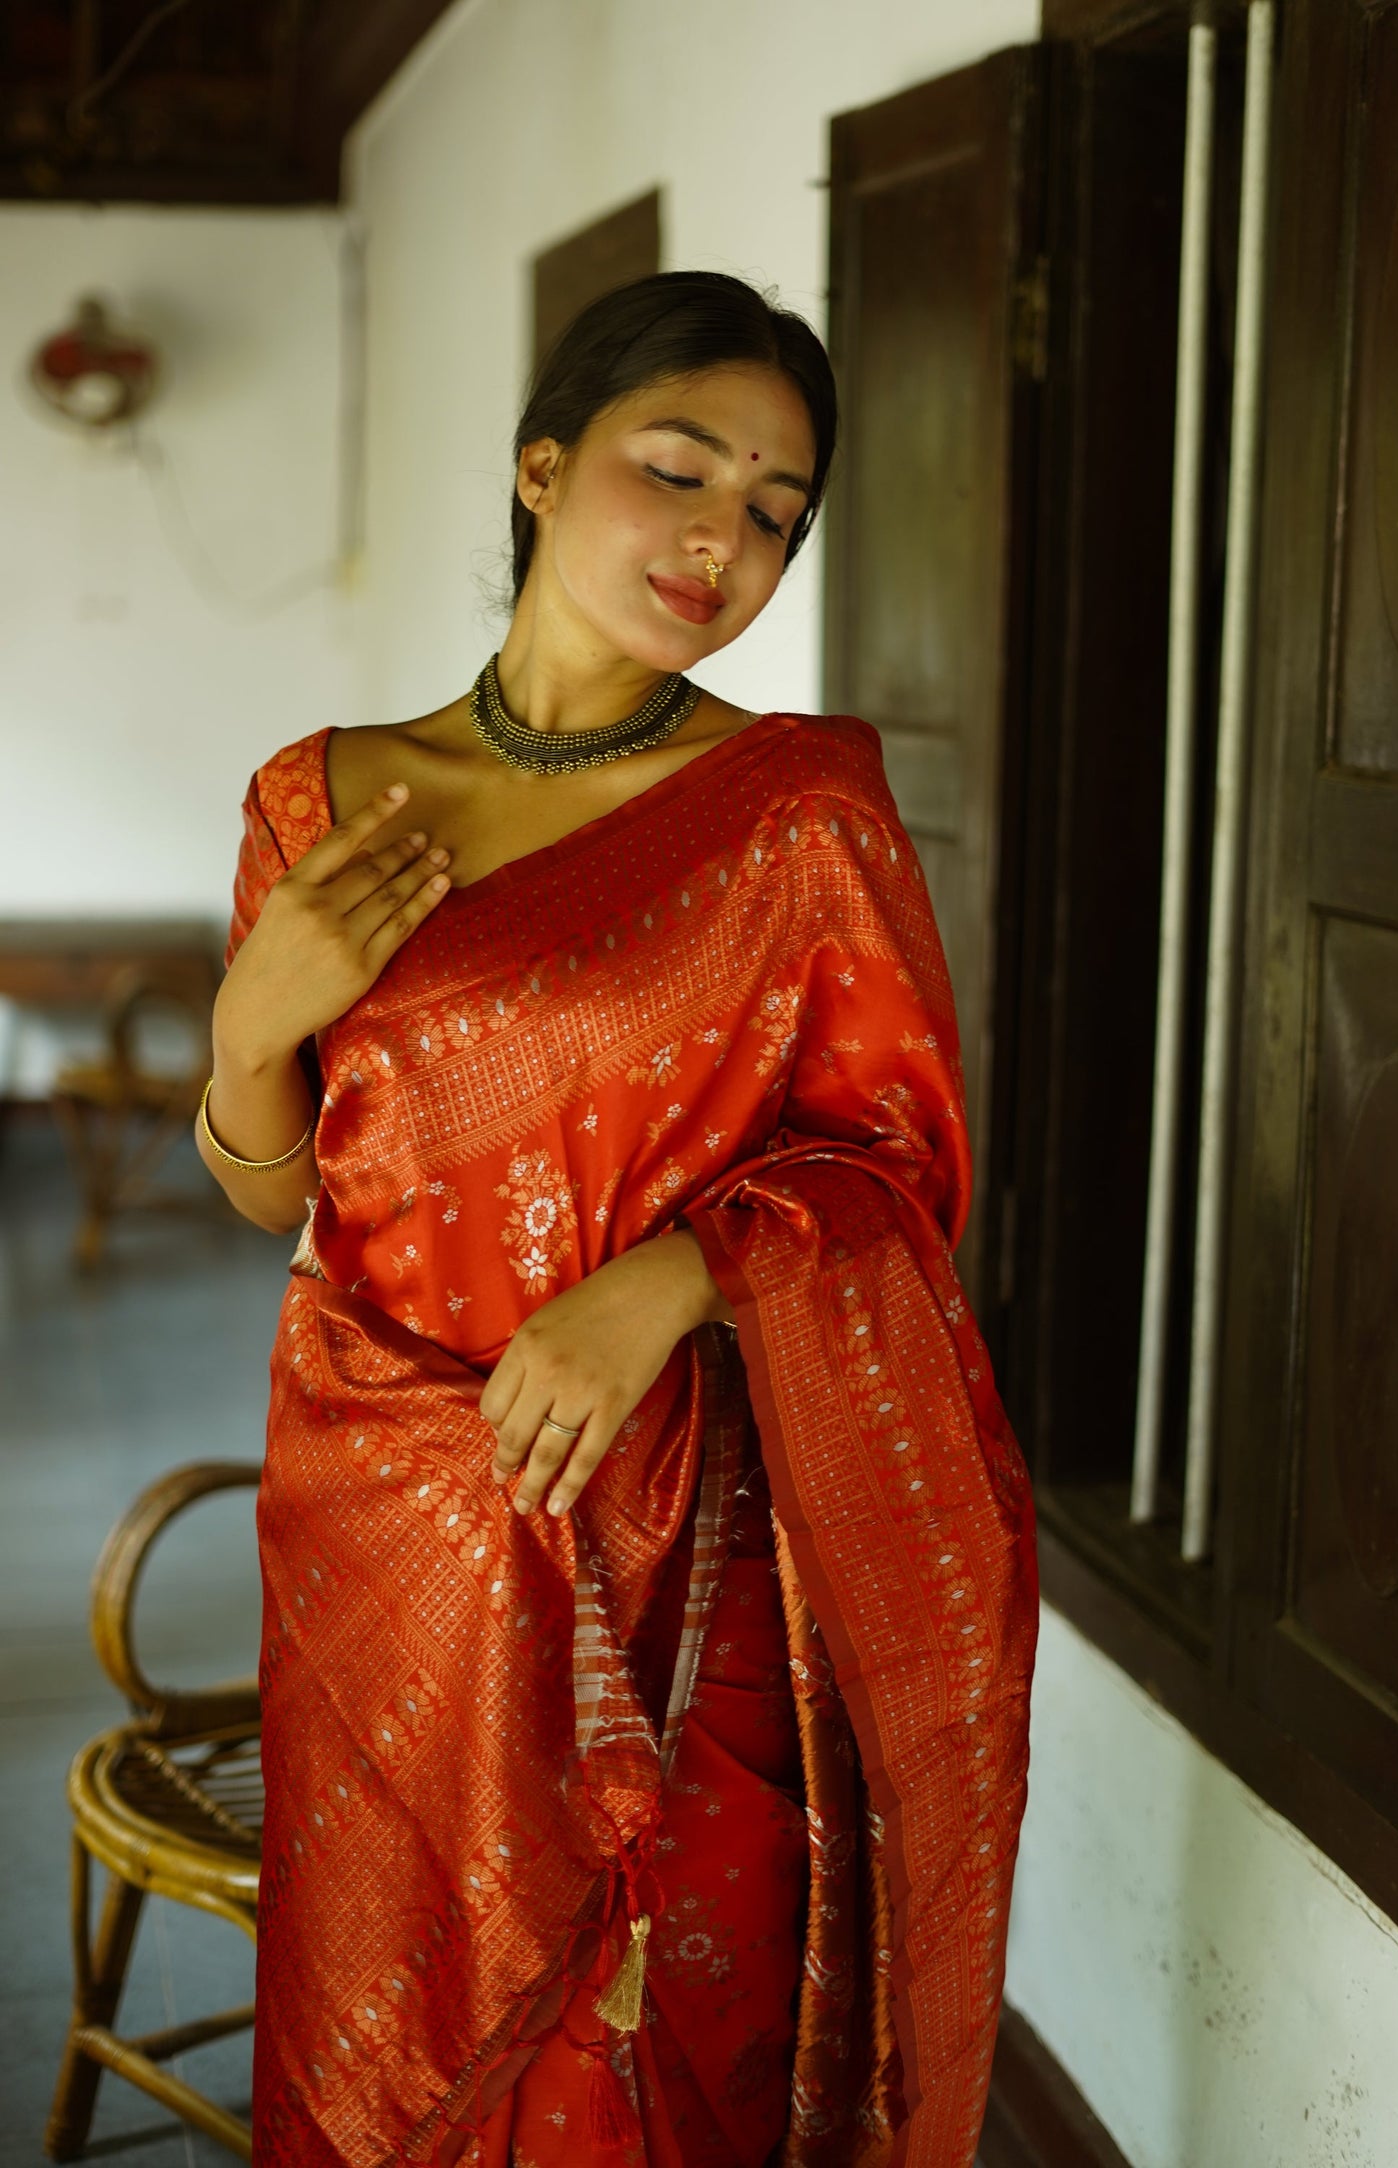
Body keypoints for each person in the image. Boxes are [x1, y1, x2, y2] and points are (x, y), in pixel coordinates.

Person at [201, 270, 1037, 2168]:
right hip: (381, 1524)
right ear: (541, 464)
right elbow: (277, 1197)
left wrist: (669, 1282)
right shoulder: (317, 801)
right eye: (679, 468)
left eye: (773, 511)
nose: (721, 538)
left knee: (640, 2057)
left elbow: (892, 1175)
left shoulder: (792, 815)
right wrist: (253, 1028)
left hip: (677, 1541)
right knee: (384, 2034)